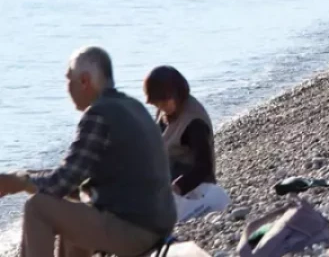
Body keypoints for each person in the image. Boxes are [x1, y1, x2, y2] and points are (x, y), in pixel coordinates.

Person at [0, 48, 176, 257]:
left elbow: (60, 183)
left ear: (84, 81)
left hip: (135, 231)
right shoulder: (132, 106)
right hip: (158, 223)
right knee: (73, 209)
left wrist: (19, 182)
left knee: (37, 208)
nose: (67, 88)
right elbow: (77, 176)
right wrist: (26, 178)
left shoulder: (98, 114)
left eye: (69, 80)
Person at [144, 66, 229, 223]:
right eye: (157, 104)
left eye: (163, 102)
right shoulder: (166, 111)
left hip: (192, 185)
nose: (160, 107)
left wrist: (177, 188)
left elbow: (204, 167)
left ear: (177, 94)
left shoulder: (194, 122)